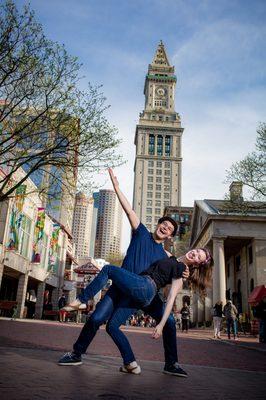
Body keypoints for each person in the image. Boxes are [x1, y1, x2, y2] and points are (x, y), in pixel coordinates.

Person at [58, 168, 189, 376]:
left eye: (169, 229)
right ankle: (77, 353)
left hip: (142, 296)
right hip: (120, 289)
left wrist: (186, 272)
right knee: (96, 319)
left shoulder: (166, 256)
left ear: (170, 236)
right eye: (163, 224)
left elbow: (181, 267)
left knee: (170, 321)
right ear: (158, 224)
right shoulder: (141, 233)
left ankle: (171, 364)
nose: (165, 228)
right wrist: (117, 187)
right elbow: (129, 210)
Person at [62, 246, 212, 373]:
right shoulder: (173, 260)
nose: (195, 254)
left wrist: (160, 325)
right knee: (112, 326)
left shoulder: (181, 270)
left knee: (108, 269)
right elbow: (156, 245)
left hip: (146, 286)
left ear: (197, 264)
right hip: (141, 294)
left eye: (199, 257)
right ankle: (131, 363)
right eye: (197, 250)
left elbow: (171, 298)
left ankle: (81, 300)